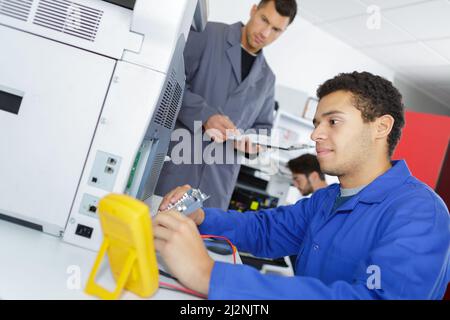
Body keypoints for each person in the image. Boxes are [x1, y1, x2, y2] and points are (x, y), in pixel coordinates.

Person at [153, 71, 450, 299]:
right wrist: (201, 217)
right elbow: (264, 230)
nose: (315, 136)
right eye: (316, 124)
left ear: (381, 127)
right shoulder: (327, 200)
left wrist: (209, 275)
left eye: (333, 122)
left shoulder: (420, 212)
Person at [155, 0, 298, 209]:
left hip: (217, 184)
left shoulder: (267, 78)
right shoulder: (209, 34)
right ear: (253, 10)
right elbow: (168, 81)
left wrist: (254, 144)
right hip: (177, 165)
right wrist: (205, 116)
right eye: (264, 20)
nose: (265, 33)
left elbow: (263, 128)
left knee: (198, 238)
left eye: (276, 29)